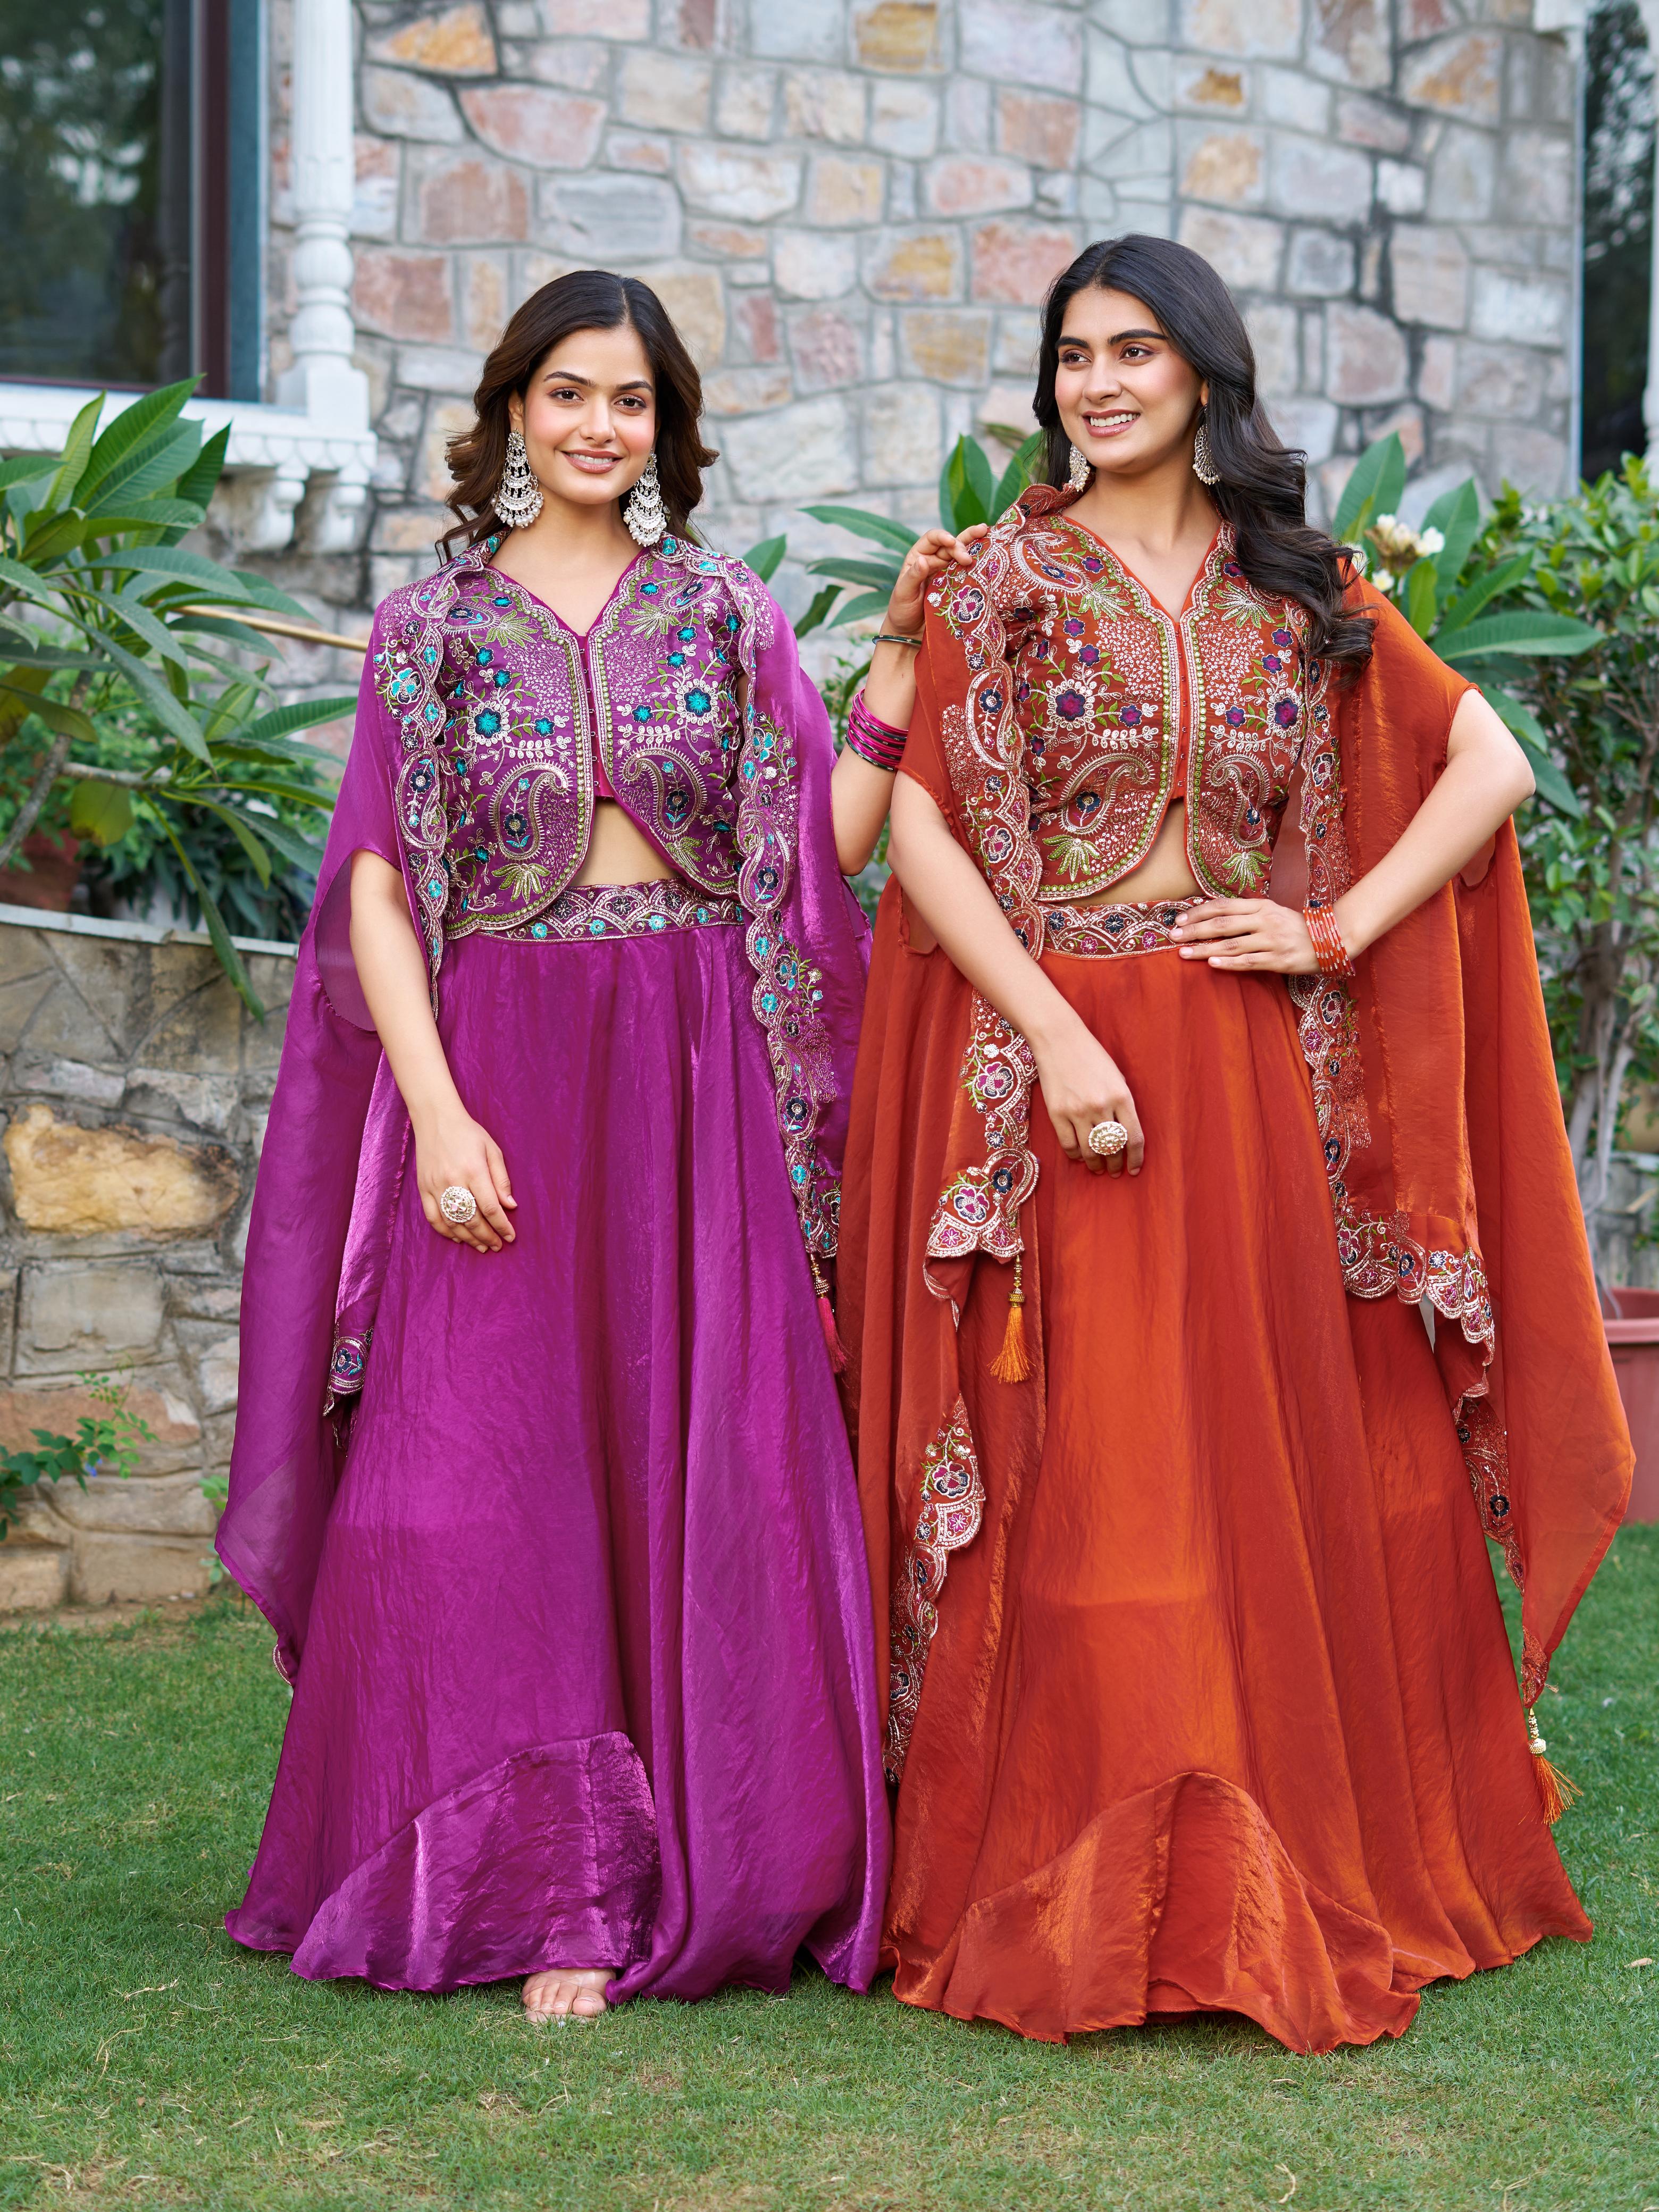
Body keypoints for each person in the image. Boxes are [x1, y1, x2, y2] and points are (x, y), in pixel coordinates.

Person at [837, 235, 1633, 2054]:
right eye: (1070, 357)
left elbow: (1488, 763)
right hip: (1063, 1074)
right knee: (1098, 1480)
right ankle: (1086, 1882)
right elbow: (920, 837)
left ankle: (1261, 1871)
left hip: (1252, 1081)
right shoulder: (1004, 577)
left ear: (1204, 373)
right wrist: (1053, 1038)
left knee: (1250, 1481)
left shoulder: (1300, 585)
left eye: (1133, 353)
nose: (1097, 385)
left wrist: (1335, 934)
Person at [217, 271, 960, 2022]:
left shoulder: (723, 613)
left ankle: (698, 1865)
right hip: (503, 1072)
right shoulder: (431, 632)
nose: (596, 428)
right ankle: (535, 1875)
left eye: (628, 401)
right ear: (510, 414)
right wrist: (438, 1113)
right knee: (464, 1492)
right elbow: (382, 896)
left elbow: (810, 853)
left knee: (697, 1464)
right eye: (566, 395)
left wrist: (898, 673)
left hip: (698, 1075)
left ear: (666, 427)